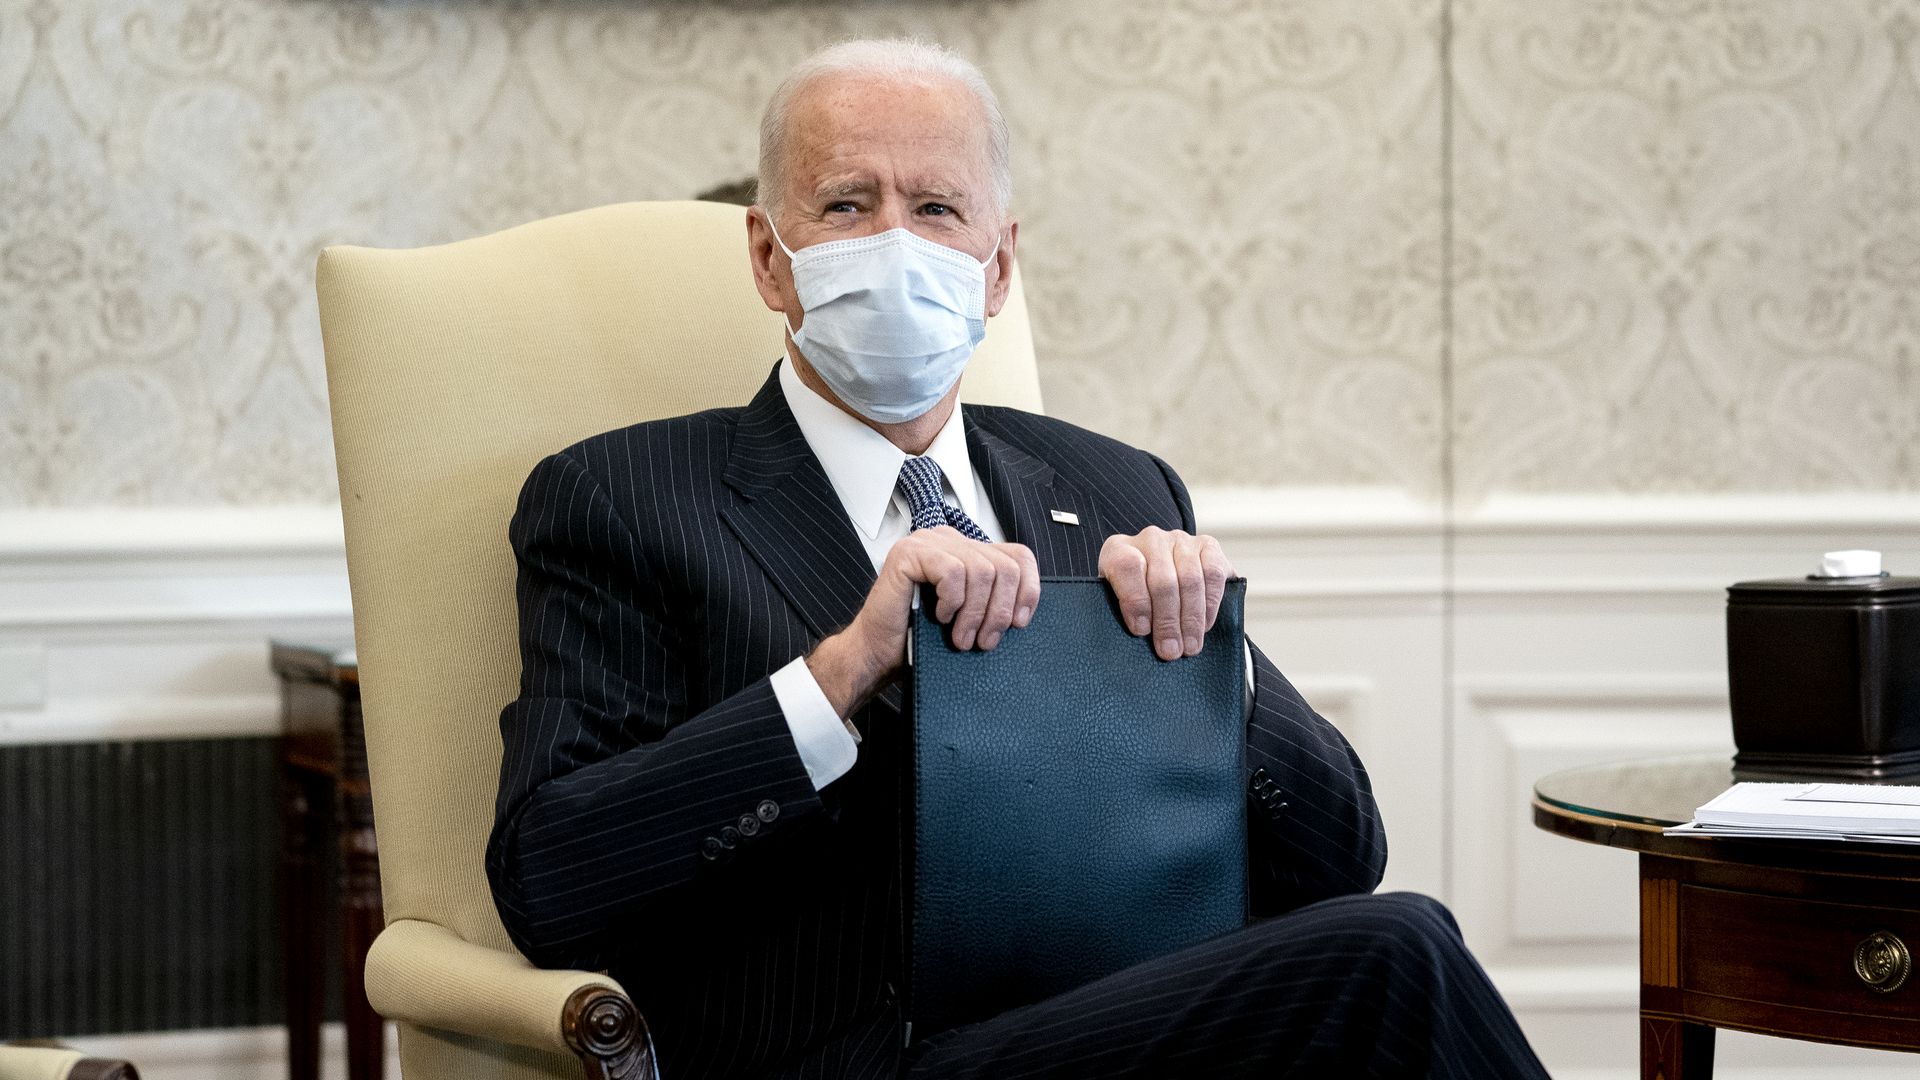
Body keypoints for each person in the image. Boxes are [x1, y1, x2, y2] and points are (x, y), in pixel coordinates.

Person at [486, 38, 1548, 1080]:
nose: (895, 241)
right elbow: (549, 880)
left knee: (1387, 946)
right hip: (844, 1049)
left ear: (996, 270)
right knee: (1396, 957)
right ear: (770, 255)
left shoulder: (1117, 487)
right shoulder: (622, 496)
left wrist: (1220, 662)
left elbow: (1340, 861)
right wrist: (841, 671)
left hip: (1135, 1017)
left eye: (938, 209)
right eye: (848, 204)